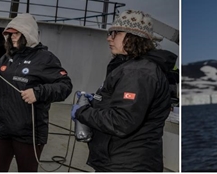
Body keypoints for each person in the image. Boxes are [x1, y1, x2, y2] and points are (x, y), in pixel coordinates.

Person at [71, 10, 174, 172]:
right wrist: (98, 102)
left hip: (127, 164)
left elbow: (121, 122)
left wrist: (82, 112)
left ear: (134, 37)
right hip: (121, 160)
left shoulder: (138, 72)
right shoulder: (133, 67)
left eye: (116, 33)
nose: (109, 38)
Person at [0, 14, 72, 172]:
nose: (12, 37)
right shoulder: (7, 57)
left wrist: (38, 93)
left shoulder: (45, 59)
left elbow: (65, 86)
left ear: (28, 34)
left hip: (28, 134)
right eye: (10, 34)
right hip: (2, 129)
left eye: (16, 33)